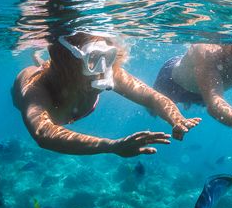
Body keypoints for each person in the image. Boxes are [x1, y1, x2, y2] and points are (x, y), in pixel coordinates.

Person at [13, 32, 200, 157]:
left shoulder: (106, 70)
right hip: (30, 79)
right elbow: (42, 133)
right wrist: (111, 145)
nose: (103, 70)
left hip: (62, 78)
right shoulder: (36, 90)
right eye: (93, 59)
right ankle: (38, 59)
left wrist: (175, 118)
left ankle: (40, 59)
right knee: (37, 68)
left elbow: (151, 96)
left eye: (108, 56)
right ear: (68, 63)